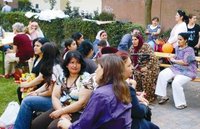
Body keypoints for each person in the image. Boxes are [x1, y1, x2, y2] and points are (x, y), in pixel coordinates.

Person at [57, 54, 132, 129]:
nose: (96, 71)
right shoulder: (123, 87)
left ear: (105, 71)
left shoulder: (100, 94)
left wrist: (68, 125)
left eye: (98, 67)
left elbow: (83, 125)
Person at [31, 50, 93, 129]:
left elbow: (82, 103)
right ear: (66, 64)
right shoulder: (62, 76)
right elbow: (55, 96)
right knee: (36, 124)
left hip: (78, 112)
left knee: (53, 127)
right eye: (72, 62)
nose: (75, 65)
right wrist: (62, 112)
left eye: (78, 62)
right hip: (60, 107)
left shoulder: (86, 78)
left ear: (81, 64)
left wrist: (61, 112)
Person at [14, 43, 63, 129]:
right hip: (56, 98)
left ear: (46, 54)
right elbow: (47, 84)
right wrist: (36, 92)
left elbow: (51, 92)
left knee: (27, 102)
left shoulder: (56, 68)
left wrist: (38, 94)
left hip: (58, 102)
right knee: (28, 97)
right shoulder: (54, 64)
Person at [116, 50, 159, 129]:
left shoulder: (111, 83)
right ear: (119, 69)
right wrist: (144, 105)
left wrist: (135, 95)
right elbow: (138, 112)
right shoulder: (125, 87)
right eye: (129, 66)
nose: (132, 68)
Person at [155, 32, 197, 110]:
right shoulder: (177, 47)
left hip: (188, 70)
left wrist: (173, 60)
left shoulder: (189, 49)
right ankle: (163, 96)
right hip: (177, 68)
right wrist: (173, 56)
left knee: (176, 82)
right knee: (162, 74)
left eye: (180, 39)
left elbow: (185, 62)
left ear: (186, 40)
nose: (178, 41)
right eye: (178, 39)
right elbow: (178, 56)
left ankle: (181, 103)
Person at [17, 37, 49, 103]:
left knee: (23, 90)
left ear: (45, 47)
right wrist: (26, 81)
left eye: (38, 46)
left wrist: (27, 85)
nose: (35, 47)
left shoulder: (46, 60)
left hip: (43, 86)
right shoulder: (37, 57)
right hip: (35, 83)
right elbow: (33, 74)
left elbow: (41, 78)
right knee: (20, 89)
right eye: (34, 45)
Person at [129, 33, 159, 102]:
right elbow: (131, 59)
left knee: (146, 75)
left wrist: (146, 67)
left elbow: (153, 58)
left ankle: (149, 98)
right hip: (138, 67)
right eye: (132, 40)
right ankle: (139, 97)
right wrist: (132, 66)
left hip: (150, 67)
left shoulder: (146, 46)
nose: (133, 41)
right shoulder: (131, 48)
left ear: (139, 40)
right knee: (136, 75)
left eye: (135, 39)